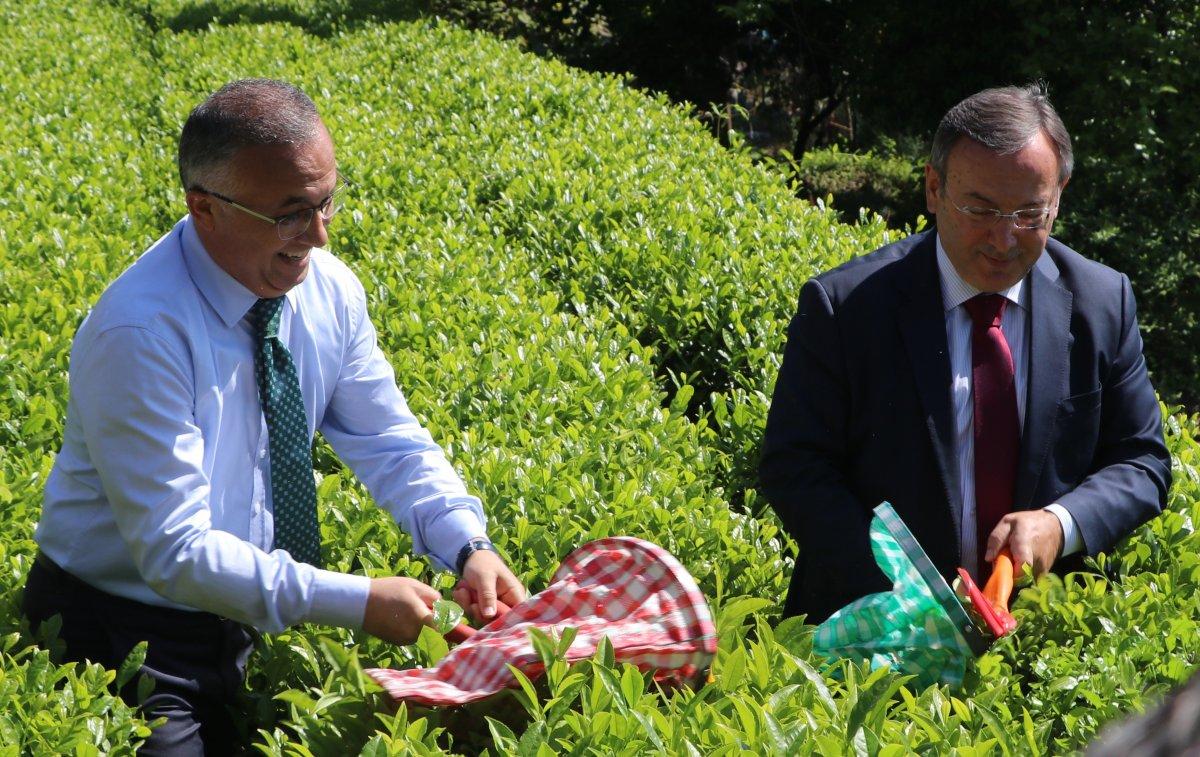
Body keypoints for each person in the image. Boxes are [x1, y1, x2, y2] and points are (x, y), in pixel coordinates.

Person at [22, 78, 525, 754]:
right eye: (290, 213)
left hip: (248, 612)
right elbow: (176, 552)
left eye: (326, 203)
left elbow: (390, 440)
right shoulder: (140, 333)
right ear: (204, 207)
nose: (316, 236)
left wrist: (468, 544)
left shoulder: (329, 291)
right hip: (124, 626)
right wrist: (359, 600)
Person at [759, 83, 1171, 625]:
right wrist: (906, 595)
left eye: (1030, 213)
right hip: (872, 634)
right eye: (980, 209)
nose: (1004, 240)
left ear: (1060, 194)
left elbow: (1142, 460)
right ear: (933, 188)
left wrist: (1059, 523)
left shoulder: (1102, 302)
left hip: (1043, 646)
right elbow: (795, 465)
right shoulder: (846, 308)